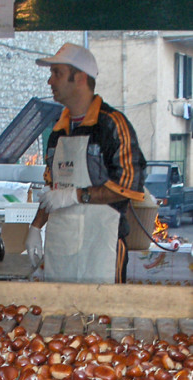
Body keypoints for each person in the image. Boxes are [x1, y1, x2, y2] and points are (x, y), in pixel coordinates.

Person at [25, 43, 146, 284]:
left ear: (79, 77)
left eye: (56, 73)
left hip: (102, 246)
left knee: (102, 317)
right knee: (58, 317)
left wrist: (76, 196)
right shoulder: (58, 131)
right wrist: (36, 227)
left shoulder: (111, 125)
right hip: (62, 248)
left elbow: (130, 184)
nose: (50, 81)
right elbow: (52, 190)